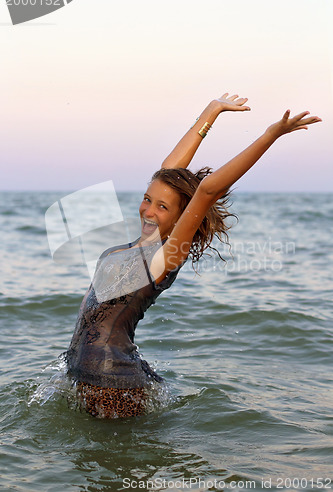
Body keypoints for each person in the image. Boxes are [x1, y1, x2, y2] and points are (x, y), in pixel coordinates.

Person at [65, 93, 321, 418]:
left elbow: (208, 190)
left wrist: (270, 135)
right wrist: (210, 113)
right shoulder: (137, 245)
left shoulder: (167, 255)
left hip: (111, 381)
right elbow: (168, 173)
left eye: (162, 207)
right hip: (90, 369)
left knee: (118, 464)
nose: (148, 210)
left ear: (181, 218)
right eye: (147, 199)